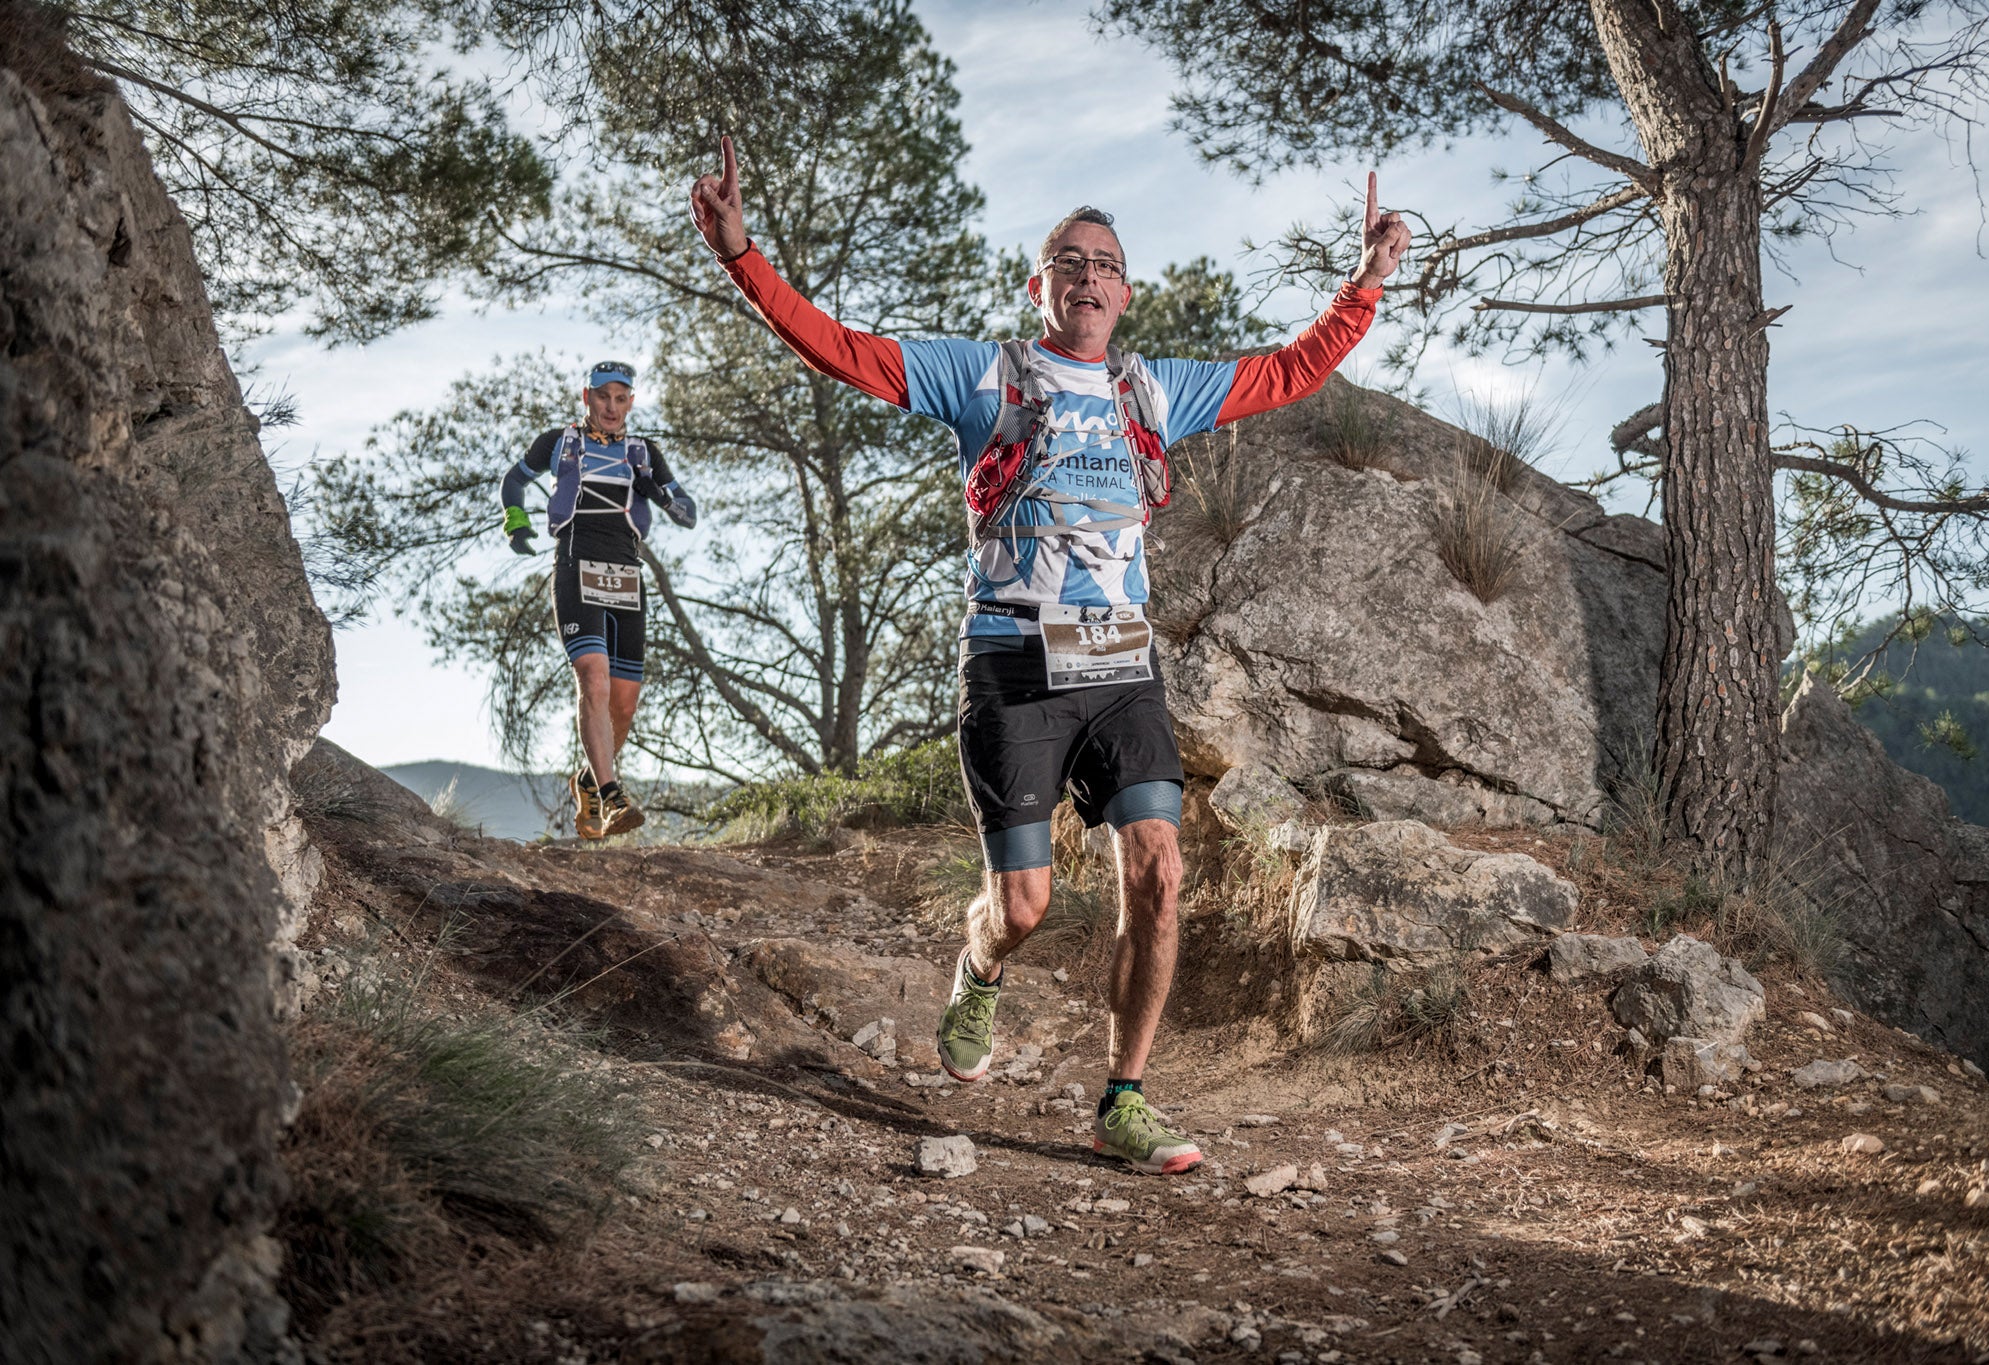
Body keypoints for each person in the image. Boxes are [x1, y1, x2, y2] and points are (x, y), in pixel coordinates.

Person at [691, 137, 1409, 1175]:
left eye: (1105, 264)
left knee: (1157, 872)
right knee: (1021, 906)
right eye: (1068, 261)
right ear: (1039, 286)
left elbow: (1291, 369)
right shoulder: (980, 375)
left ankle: (1124, 1097)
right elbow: (840, 349)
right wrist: (742, 257)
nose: (1087, 276)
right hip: (1012, 666)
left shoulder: (1154, 390)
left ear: (1125, 294)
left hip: (1120, 668)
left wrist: (1366, 283)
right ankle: (978, 966)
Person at [500, 361, 697, 840]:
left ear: (631, 402)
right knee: (594, 678)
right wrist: (517, 522)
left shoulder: (642, 452)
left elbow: (687, 512)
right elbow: (514, 480)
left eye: (621, 398)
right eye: (603, 396)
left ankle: (588, 782)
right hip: (575, 564)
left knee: (624, 705)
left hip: (627, 573)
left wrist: (659, 491)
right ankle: (612, 796)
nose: (612, 407)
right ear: (586, 397)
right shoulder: (559, 443)